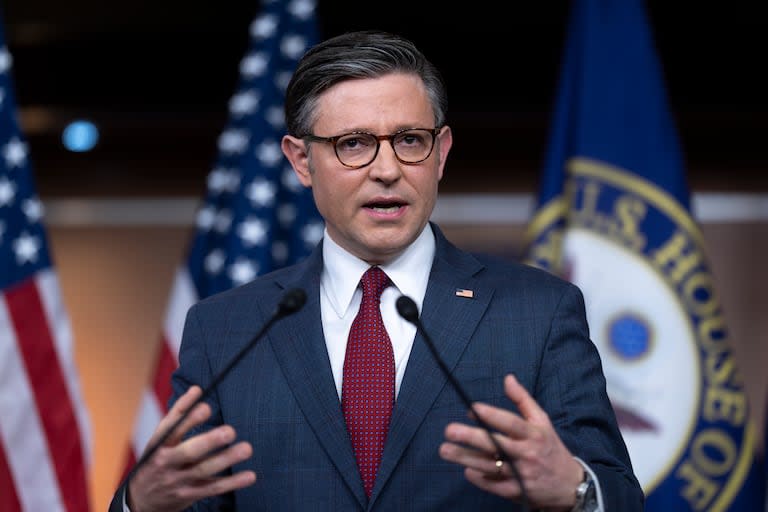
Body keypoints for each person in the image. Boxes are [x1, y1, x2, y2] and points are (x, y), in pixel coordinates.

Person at [110, 30, 643, 511]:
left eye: (410, 140)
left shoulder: (538, 311)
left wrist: (575, 489)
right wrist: (142, 503)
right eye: (354, 144)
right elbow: (188, 492)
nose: (387, 170)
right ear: (301, 161)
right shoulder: (226, 328)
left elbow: (617, 493)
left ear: (441, 153)